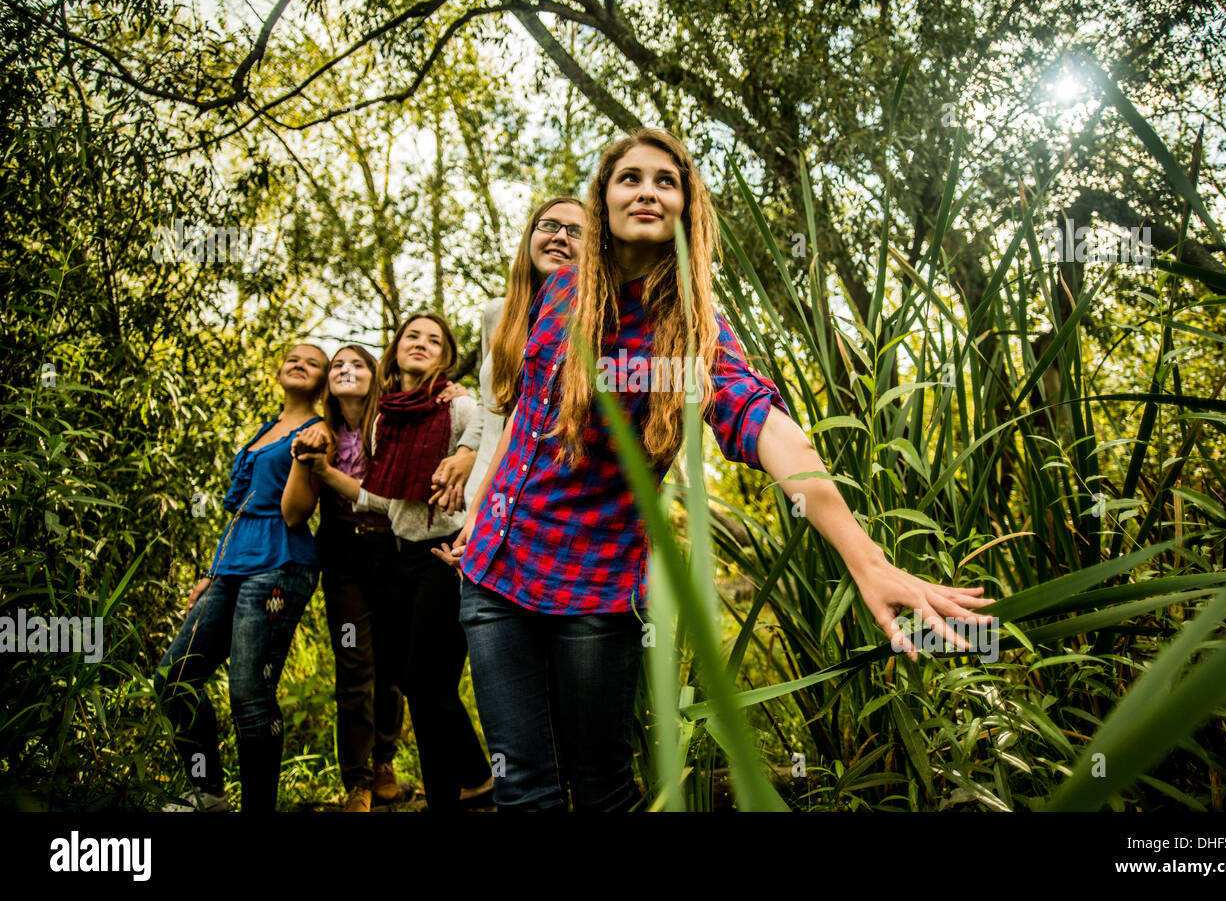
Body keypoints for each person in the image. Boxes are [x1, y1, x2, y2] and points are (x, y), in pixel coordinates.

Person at [436, 128, 998, 811]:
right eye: (630, 177)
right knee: (524, 788)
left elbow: (770, 428)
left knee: (601, 787)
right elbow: (523, 424)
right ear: (604, 199)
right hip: (492, 577)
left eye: (665, 180)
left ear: (685, 208)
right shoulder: (559, 296)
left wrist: (864, 556)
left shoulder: (694, 330)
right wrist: (481, 514)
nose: (647, 189)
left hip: (591, 590)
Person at [294, 315, 492, 810]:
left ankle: (479, 779)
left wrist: (476, 536)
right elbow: (383, 500)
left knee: (427, 682)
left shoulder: (461, 406)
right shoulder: (386, 419)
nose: (421, 344)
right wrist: (324, 472)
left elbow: (494, 461)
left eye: (434, 340)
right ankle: (452, 793)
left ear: (445, 356)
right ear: (396, 350)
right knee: (418, 683)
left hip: (448, 555)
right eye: (412, 337)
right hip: (402, 556)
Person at [154, 343, 329, 812]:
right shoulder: (265, 430)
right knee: (175, 675)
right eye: (294, 358)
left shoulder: (318, 432)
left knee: (250, 694)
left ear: (323, 380)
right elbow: (239, 511)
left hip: (280, 563)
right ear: (279, 370)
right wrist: (211, 572)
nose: (300, 364)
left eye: (313, 362)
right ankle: (206, 791)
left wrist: (300, 458)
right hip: (232, 564)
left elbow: (295, 514)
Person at [280, 344, 403, 812]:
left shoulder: (391, 424)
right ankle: (356, 781)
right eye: (338, 366)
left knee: (391, 664)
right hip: (344, 552)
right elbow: (298, 506)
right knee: (354, 665)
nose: (346, 371)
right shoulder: (320, 432)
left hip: (390, 550)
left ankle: (384, 761)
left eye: (357, 365)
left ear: (375, 377)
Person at [429, 196, 586, 513]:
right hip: (481, 501)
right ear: (531, 237)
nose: (560, 237)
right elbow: (492, 404)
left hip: (546, 506)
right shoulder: (497, 315)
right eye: (550, 226)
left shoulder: (598, 328)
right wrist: (465, 451)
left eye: (575, 231)